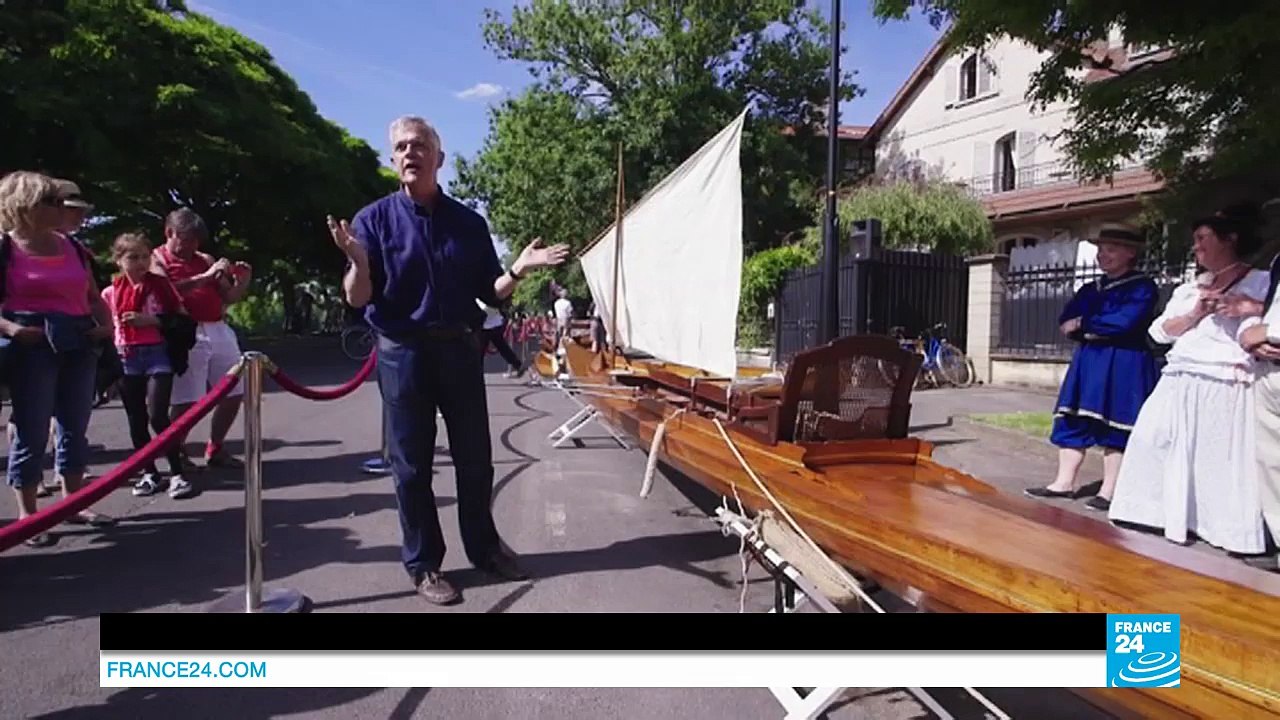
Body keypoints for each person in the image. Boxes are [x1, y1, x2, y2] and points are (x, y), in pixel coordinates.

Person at [327, 115, 569, 605]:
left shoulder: (468, 223)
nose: (410, 153)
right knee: (412, 467)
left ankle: (484, 549)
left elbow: (492, 293)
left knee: (475, 458)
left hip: (460, 349)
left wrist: (518, 269)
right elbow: (358, 299)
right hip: (403, 353)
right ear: (393, 159)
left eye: (419, 145)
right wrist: (357, 261)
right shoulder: (373, 220)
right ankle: (425, 564)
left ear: (439, 157)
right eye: (401, 147)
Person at [1107, 211, 1270, 555]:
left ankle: (1224, 528)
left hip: (1226, 378)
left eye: (1202, 239)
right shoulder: (1190, 288)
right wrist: (1196, 313)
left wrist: (1244, 307)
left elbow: (1273, 317)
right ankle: (1153, 511)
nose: (1195, 247)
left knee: (1218, 457)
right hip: (1180, 374)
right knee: (1154, 439)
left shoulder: (1261, 281)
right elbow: (1158, 333)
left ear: (1229, 239)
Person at [0, 171, 116, 547]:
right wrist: (12, 330)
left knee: (74, 424)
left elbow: (94, 296)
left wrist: (106, 324)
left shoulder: (72, 246)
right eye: (51, 201)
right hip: (32, 342)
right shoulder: (6, 248)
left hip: (79, 338)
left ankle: (74, 501)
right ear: (24, 206)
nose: (60, 208)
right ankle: (28, 515)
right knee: (32, 429)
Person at [1024, 224, 1159, 509]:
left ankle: (1109, 491)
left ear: (1130, 253)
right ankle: (1063, 483)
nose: (1102, 255)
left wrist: (1086, 324)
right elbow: (1066, 320)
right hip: (1089, 360)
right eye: (1100, 249)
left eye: (1110, 249)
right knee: (1073, 418)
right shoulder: (1089, 289)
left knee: (1116, 423)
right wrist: (1085, 327)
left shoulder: (1142, 288)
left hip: (1124, 363)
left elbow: (1125, 322)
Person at [150, 208, 251, 470]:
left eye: (196, 240)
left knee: (234, 390)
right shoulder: (157, 259)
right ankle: (177, 449)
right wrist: (204, 278)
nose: (192, 246)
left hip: (217, 327)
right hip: (186, 330)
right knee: (188, 398)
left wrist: (241, 281)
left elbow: (228, 296)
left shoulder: (204, 258)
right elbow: (166, 292)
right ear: (170, 233)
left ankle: (216, 447)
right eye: (187, 239)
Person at [102, 232, 194, 499]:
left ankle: (177, 472)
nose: (141, 263)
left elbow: (182, 319)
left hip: (157, 353)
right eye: (133, 257)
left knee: (158, 414)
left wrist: (152, 321)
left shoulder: (161, 287)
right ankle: (149, 472)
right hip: (126, 354)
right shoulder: (110, 292)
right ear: (119, 261)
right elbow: (109, 327)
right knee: (136, 418)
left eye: (145, 256)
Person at [475, 298, 525, 378]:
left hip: (485, 325)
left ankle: (476, 373)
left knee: (479, 351)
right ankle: (518, 365)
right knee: (502, 347)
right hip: (495, 322)